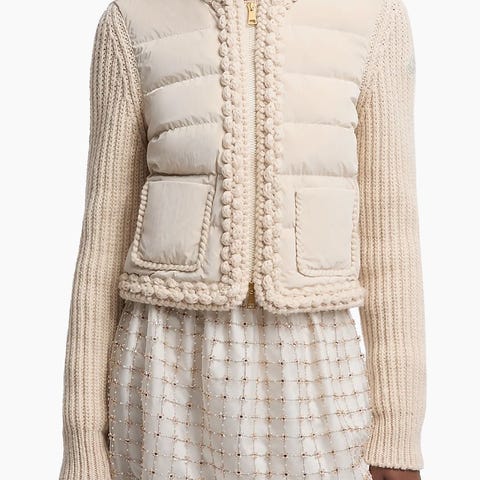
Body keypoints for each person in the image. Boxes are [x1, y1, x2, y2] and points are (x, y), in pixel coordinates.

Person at [59, 1, 426, 479]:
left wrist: (398, 434)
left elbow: (392, 240)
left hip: (314, 370)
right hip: (165, 370)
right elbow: (101, 246)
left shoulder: (373, 18)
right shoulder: (133, 19)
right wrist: (83, 440)